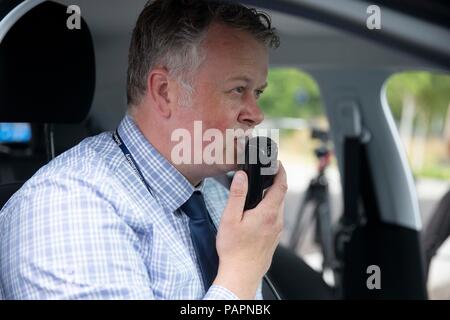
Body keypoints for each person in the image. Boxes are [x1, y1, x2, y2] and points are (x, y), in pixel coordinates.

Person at [0, 0, 287, 299]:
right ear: (165, 92)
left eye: (257, 92)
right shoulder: (69, 210)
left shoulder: (217, 197)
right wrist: (241, 271)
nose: (257, 113)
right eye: (238, 89)